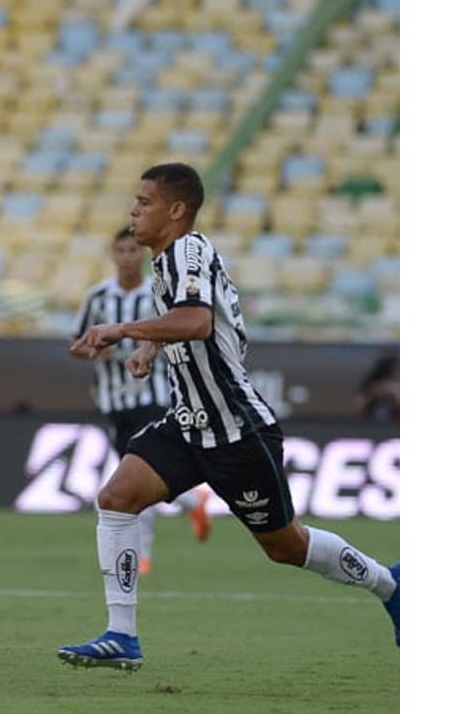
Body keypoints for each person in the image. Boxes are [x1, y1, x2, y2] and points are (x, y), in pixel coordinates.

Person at [59, 163, 399, 671]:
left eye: (144, 201)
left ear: (176, 210)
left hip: (237, 429)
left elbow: (196, 321)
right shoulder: (167, 262)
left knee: (286, 546)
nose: (133, 210)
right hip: (189, 422)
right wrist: (151, 348)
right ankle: (121, 635)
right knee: (117, 497)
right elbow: (193, 322)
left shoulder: (188, 251)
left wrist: (122, 330)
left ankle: (389, 584)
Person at [71, 226, 211, 576]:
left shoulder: (156, 293)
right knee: (138, 477)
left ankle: (142, 555)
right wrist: (92, 353)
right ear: (114, 255)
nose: (128, 257)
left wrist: (148, 348)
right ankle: (194, 502)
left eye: (134, 250)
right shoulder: (98, 296)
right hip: (113, 402)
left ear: (142, 255)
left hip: (154, 396)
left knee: (138, 476)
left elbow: (178, 333)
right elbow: (77, 343)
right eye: (122, 251)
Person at [355, 346, 399, 422]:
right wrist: (373, 393)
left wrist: (396, 394)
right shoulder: (370, 385)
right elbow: (358, 410)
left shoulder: (397, 385)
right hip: (372, 426)